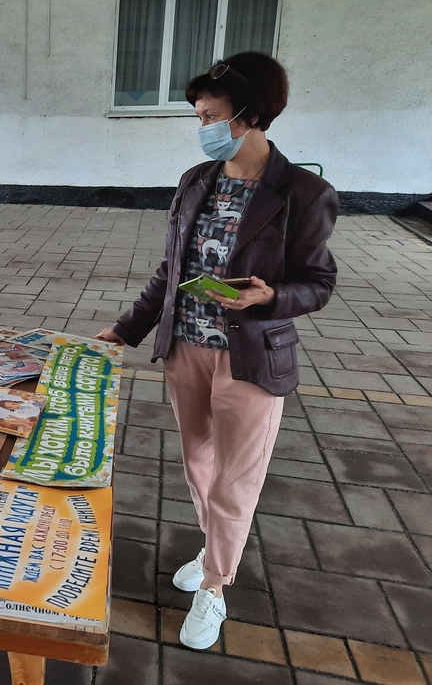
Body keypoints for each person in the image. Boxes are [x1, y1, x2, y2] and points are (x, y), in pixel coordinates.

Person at [96, 52, 337, 650]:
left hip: (250, 358)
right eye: (199, 116)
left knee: (236, 478)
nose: (201, 127)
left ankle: (215, 587)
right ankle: (214, 551)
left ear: (249, 116)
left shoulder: (303, 192)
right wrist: (125, 330)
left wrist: (270, 296)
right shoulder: (196, 181)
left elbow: (318, 282)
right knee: (199, 463)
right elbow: (171, 270)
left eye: (210, 116)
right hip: (186, 349)